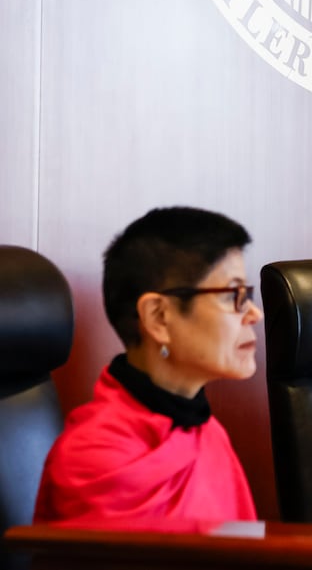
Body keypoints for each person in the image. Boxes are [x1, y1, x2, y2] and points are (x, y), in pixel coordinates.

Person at [34, 207, 261, 526]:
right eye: (232, 295)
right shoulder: (92, 458)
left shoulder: (207, 433)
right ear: (158, 317)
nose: (254, 314)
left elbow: (243, 550)